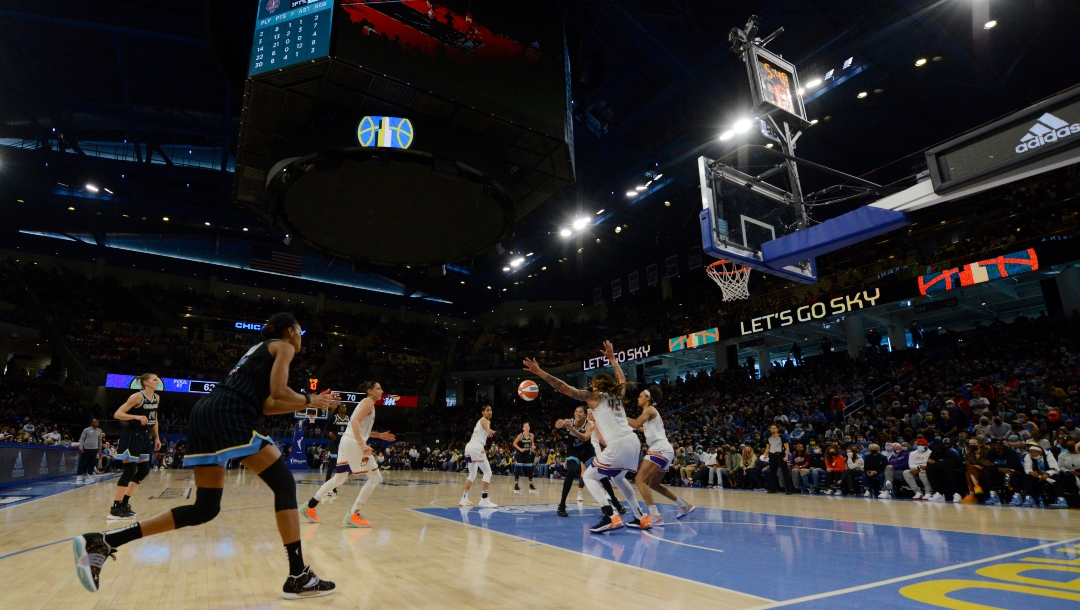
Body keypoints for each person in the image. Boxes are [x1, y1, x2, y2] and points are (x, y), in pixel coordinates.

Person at [73, 312, 337, 599]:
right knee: (284, 484)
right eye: (300, 332)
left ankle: (105, 540)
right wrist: (312, 399)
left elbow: (269, 404)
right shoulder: (283, 346)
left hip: (206, 413)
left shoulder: (258, 353)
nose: (301, 339)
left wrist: (310, 402)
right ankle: (298, 576)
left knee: (205, 508)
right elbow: (280, 390)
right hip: (228, 414)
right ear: (289, 331)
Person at [524, 342, 667, 534]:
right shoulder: (617, 395)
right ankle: (641, 517)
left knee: (589, 476)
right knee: (619, 477)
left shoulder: (595, 397)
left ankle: (610, 516)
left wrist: (541, 373)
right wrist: (612, 360)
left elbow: (565, 388)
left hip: (618, 443)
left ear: (598, 385)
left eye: (593, 383)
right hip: (633, 442)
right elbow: (622, 378)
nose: (590, 386)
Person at [304, 382, 396, 527]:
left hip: (347, 441)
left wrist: (379, 435)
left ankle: (309, 506)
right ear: (370, 391)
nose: (381, 391)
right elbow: (354, 422)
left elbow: (359, 428)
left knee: (338, 479)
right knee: (375, 477)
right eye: (378, 388)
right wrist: (361, 444)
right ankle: (353, 514)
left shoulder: (368, 404)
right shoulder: (367, 403)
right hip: (353, 442)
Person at [625, 386, 695, 529]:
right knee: (654, 484)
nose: (638, 398)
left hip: (659, 448)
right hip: (665, 449)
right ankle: (684, 505)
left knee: (639, 479)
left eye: (640, 396)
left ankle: (654, 515)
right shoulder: (651, 413)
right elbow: (642, 428)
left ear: (648, 398)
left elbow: (637, 423)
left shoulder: (649, 410)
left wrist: (619, 416)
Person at [108, 373, 162, 520]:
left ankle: (124, 503)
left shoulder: (156, 398)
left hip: (145, 436)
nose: (157, 382)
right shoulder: (137, 397)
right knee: (129, 470)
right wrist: (136, 416)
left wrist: (157, 437)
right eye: (154, 380)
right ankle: (115, 507)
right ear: (146, 383)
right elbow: (117, 414)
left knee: (144, 470)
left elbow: (154, 418)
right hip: (132, 434)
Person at [555, 407, 623, 517]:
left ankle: (615, 502)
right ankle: (562, 505)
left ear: (585, 415)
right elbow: (562, 423)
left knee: (601, 473)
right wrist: (560, 423)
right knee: (571, 472)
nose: (577, 413)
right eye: (576, 411)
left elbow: (585, 438)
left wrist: (573, 430)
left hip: (588, 452)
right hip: (574, 453)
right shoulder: (570, 422)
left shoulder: (590, 424)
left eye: (580, 412)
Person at [459, 405, 497, 508]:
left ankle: (464, 499)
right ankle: (484, 499)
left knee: (472, 474)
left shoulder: (478, 422)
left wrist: (488, 430)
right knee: (488, 472)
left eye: (491, 410)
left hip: (469, 447)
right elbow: (486, 425)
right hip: (476, 447)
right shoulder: (485, 420)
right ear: (482, 412)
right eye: (487, 410)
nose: (490, 412)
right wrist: (489, 430)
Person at [1021, 443, 1067, 508]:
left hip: (1049, 474)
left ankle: (1060, 498)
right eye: (1031, 452)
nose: (1033, 454)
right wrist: (1031, 472)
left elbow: (1056, 469)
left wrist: (1047, 474)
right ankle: (1029, 497)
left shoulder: (1048, 455)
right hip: (1036, 475)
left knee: (1057, 476)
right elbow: (1027, 468)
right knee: (1027, 476)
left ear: (1040, 452)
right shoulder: (1028, 456)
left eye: (1035, 452)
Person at [320, 403, 349, 502]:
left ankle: (334, 488)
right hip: (334, 443)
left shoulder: (348, 418)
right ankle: (327, 487)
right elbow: (326, 428)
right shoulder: (334, 418)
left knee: (340, 467)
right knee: (332, 465)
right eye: (342, 406)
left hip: (343, 444)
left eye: (345, 406)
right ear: (338, 409)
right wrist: (330, 433)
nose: (344, 408)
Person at [766, 425, 795, 494]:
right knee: (772, 472)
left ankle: (789, 489)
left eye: (774, 428)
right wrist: (765, 455)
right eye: (772, 428)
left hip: (780, 455)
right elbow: (768, 447)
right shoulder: (769, 438)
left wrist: (786, 456)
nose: (773, 430)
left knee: (785, 472)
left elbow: (787, 448)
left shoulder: (781, 437)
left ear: (777, 429)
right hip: (772, 455)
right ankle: (773, 489)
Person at [512, 423, 538, 494]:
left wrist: (533, 446)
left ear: (529, 428)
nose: (527, 428)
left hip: (527, 453)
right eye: (525, 427)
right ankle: (516, 485)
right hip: (520, 454)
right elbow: (514, 443)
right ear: (523, 428)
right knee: (518, 469)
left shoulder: (531, 435)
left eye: (528, 426)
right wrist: (520, 449)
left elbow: (532, 443)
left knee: (530, 469)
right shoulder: (520, 435)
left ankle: (531, 485)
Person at [77, 419, 104, 484]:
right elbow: (82, 439)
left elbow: (100, 440)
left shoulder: (99, 430)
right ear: (91, 423)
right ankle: (79, 475)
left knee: (92, 462)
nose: (95, 423)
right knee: (82, 462)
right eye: (94, 422)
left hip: (95, 448)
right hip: (86, 448)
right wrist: (81, 447)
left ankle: (90, 474)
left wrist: (100, 448)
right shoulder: (86, 430)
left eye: (97, 422)